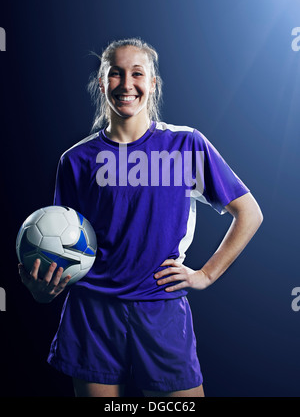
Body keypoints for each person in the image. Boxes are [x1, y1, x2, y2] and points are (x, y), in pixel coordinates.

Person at [18, 38, 263, 397]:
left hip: (161, 307)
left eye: (137, 73)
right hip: (92, 312)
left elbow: (249, 213)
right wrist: (43, 290)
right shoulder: (76, 160)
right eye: (115, 74)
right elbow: (62, 248)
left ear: (153, 84)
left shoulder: (185, 146)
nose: (126, 84)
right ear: (102, 84)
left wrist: (206, 275)